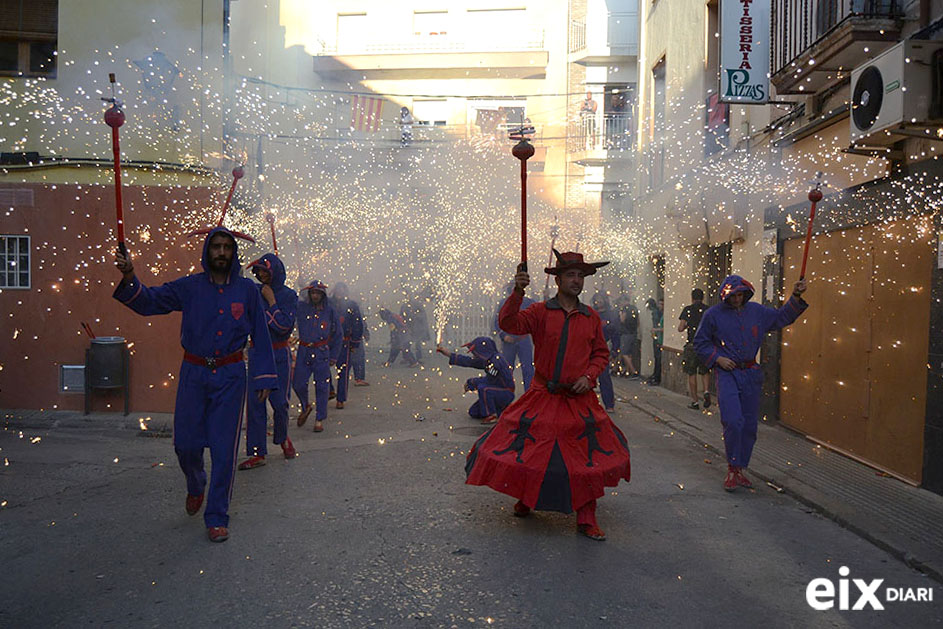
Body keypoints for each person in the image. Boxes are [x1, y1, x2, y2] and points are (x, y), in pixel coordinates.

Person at [113, 227, 276, 543]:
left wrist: (265, 376)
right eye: (215, 246)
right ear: (207, 252)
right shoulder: (189, 287)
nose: (221, 252)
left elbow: (261, 334)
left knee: (224, 451)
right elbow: (149, 301)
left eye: (227, 247)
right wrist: (130, 273)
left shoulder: (247, 291)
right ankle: (195, 482)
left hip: (230, 377)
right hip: (194, 373)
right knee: (185, 445)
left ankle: (216, 515)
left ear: (233, 253)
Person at [465, 250, 631, 542]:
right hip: (543, 394)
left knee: (585, 457)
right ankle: (526, 498)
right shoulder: (540, 312)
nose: (576, 280)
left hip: (579, 399)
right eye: (570, 275)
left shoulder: (590, 316)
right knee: (530, 451)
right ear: (558, 279)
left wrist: (589, 376)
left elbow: (601, 354)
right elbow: (509, 323)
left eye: (581, 276)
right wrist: (518, 290)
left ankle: (586, 516)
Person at [694, 275, 808, 492]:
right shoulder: (713, 315)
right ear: (724, 295)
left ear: (745, 293)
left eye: (740, 295)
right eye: (732, 296)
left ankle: (739, 468)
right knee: (733, 420)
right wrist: (718, 358)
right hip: (727, 373)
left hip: (750, 374)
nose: (737, 299)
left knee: (748, 425)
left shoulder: (757, 311)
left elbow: (781, 317)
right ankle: (731, 466)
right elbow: (700, 343)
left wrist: (796, 295)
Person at [239, 254, 298, 470]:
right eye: (259, 272)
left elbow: (284, 327)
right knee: (255, 404)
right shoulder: (253, 291)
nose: (261, 275)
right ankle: (257, 452)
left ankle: (282, 437)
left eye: (265, 271)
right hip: (257, 355)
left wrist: (272, 301)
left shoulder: (289, 296)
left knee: (280, 403)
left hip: (279, 355)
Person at [293, 280, 341, 433]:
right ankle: (305, 405)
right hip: (303, 350)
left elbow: (338, 334)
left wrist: (334, 355)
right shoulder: (301, 308)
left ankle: (319, 418)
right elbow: (292, 298)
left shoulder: (330, 311)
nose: (314, 295)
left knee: (322, 387)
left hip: (321, 352)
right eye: (312, 292)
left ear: (322, 295)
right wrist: (300, 282)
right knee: (298, 383)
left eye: (317, 293)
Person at [437, 337, 515, 424]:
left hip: (505, 392)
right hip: (497, 389)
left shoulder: (496, 362)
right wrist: (449, 354)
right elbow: (469, 361)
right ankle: (501, 409)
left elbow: (491, 381)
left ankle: (492, 415)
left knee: (483, 389)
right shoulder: (488, 359)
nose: (474, 355)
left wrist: (473, 382)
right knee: (473, 412)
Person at [493, 282, 535, 391]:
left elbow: (541, 308)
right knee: (506, 369)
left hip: (523, 339)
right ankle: (504, 393)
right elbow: (496, 322)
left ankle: (529, 395)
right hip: (509, 342)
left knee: (528, 369)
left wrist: (546, 296)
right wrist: (504, 335)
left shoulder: (528, 302)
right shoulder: (503, 303)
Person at [332, 282, 365, 409]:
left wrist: (355, 342)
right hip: (328, 342)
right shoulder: (328, 303)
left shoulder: (352, 305)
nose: (339, 292)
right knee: (322, 369)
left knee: (343, 371)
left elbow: (357, 324)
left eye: (342, 290)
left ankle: (340, 398)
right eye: (337, 290)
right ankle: (329, 391)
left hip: (345, 342)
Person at [678, 288, 711, 410]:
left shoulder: (688, 310)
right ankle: (707, 391)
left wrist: (688, 325)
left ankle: (695, 401)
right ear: (703, 297)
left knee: (691, 373)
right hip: (705, 345)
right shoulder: (708, 310)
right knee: (705, 371)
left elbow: (680, 328)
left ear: (692, 298)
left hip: (692, 345)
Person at [591, 292, 618, 412]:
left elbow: (615, 333)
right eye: (597, 299)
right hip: (589, 347)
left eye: (601, 299)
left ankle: (609, 404)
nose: (599, 301)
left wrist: (614, 351)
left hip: (604, 348)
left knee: (604, 376)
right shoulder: (591, 313)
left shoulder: (610, 315)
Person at [615, 290, 640, 379]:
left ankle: (633, 372)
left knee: (624, 353)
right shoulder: (635, 308)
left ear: (623, 301)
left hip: (625, 333)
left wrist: (620, 314)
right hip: (633, 333)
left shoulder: (624, 309)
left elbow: (622, 320)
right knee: (629, 354)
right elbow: (638, 322)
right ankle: (628, 372)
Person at [401, 295, 430, 365]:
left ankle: (418, 358)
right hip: (409, 327)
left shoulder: (418, 306)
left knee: (417, 343)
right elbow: (402, 316)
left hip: (417, 329)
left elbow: (423, 317)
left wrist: (414, 316)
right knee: (406, 343)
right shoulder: (404, 306)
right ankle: (407, 357)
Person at [645, 298, 664, 385]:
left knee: (658, 358)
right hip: (657, 337)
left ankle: (656, 377)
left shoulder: (656, 312)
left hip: (658, 338)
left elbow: (657, 324)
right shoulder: (658, 312)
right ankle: (655, 375)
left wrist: (655, 330)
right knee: (657, 358)